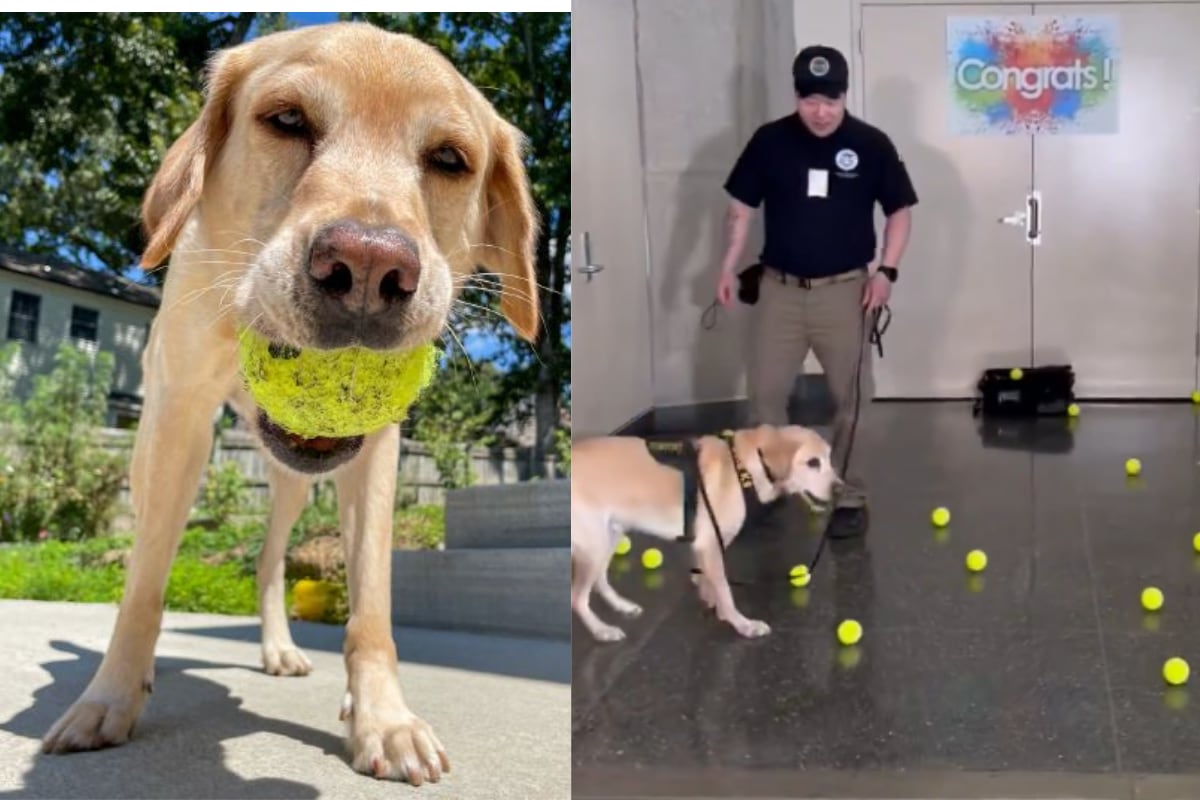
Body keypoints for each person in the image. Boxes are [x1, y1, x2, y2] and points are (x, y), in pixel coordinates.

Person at [715, 44, 917, 539]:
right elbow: (740, 208)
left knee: (852, 400)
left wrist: (886, 272)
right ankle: (772, 486)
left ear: (844, 95)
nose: (821, 112)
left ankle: (848, 493)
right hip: (780, 291)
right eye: (810, 101)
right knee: (763, 396)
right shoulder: (769, 142)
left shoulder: (871, 144)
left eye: (830, 100)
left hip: (845, 292)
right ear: (796, 95)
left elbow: (900, 211)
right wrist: (727, 266)